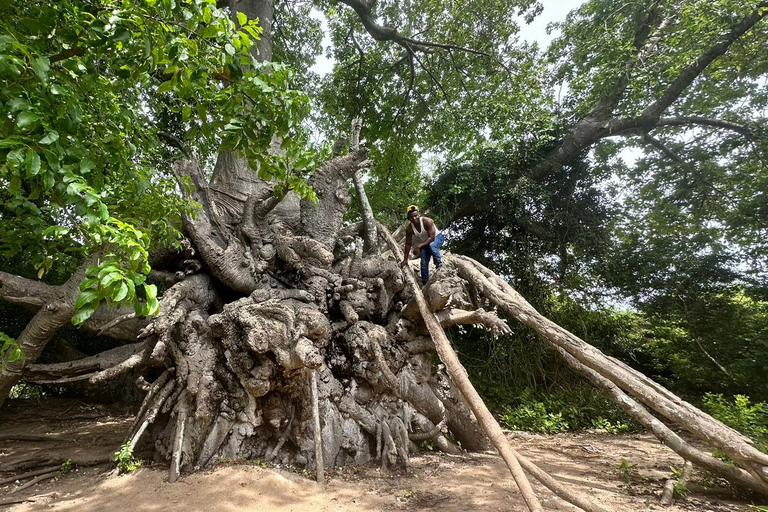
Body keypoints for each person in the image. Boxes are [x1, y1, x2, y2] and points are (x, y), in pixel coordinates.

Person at [400, 205, 445, 285]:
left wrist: (418, 246)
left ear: (419, 214)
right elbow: (408, 244)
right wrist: (405, 259)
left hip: (437, 238)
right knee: (423, 262)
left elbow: (432, 238)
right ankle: (425, 283)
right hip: (426, 242)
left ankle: (439, 267)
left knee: (432, 245)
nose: (414, 218)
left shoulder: (427, 221)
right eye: (411, 217)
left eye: (415, 215)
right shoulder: (409, 229)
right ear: (409, 218)